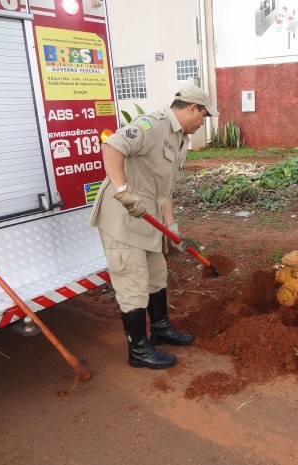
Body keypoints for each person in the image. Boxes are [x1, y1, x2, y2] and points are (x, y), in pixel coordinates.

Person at [88, 85, 219, 370]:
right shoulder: (152, 125)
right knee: (132, 282)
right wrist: (122, 190)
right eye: (204, 115)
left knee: (157, 276)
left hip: (150, 221)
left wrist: (172, 226)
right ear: (192, 108)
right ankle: (138, 349)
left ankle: (160, 329)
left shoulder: (180, 139)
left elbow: (164, 190)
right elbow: (111, 147)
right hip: (124, 220)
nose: (203, 122)